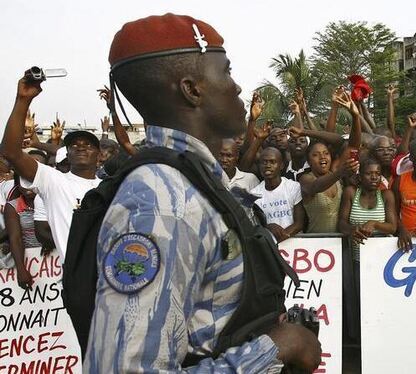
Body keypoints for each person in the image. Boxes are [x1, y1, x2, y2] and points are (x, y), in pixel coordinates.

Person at [84, 14, 319, 371]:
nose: (237, 87)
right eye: (226, 72)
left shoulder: (196, 181)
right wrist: (276, 348)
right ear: (191, 89)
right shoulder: (162, 202)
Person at [1, 80, 101, 259]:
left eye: (88, 144)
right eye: (74, 145)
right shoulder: (54, 181)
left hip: (113, 278)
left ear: (99, 156)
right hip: (77, 279)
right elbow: (11, 152)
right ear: (66, 155)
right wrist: (23, 100)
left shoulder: (109, 187)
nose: (81, 147)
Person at [338, 158, 397, 259]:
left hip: (381, 256)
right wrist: (351, 229)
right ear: (360, 177)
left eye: (377, 174)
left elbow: (392, 227)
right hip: (355, 255)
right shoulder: (351, 192)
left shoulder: (387, 195)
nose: (374, 177)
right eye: (369, 174)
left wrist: (374, 223)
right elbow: (341, 223)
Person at [252, 147, 306, 242]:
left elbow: (299, 223)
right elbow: (255, 226)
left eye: (272, 162)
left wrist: (281, 237)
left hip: (295, 245)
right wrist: (267, 227)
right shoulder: (254, 194)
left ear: (281, 166)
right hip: (269, 245)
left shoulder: (294, 187)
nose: (268, 165)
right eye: (264, 162)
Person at [3, 173, 41, 289]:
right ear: (17, 185)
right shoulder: (12, 206)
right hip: (29, 259)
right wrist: (21, 269)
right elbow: (15, 238)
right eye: (22, 184)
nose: (27, 187)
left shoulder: (49, 200)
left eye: (30, 182)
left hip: (53, 258)